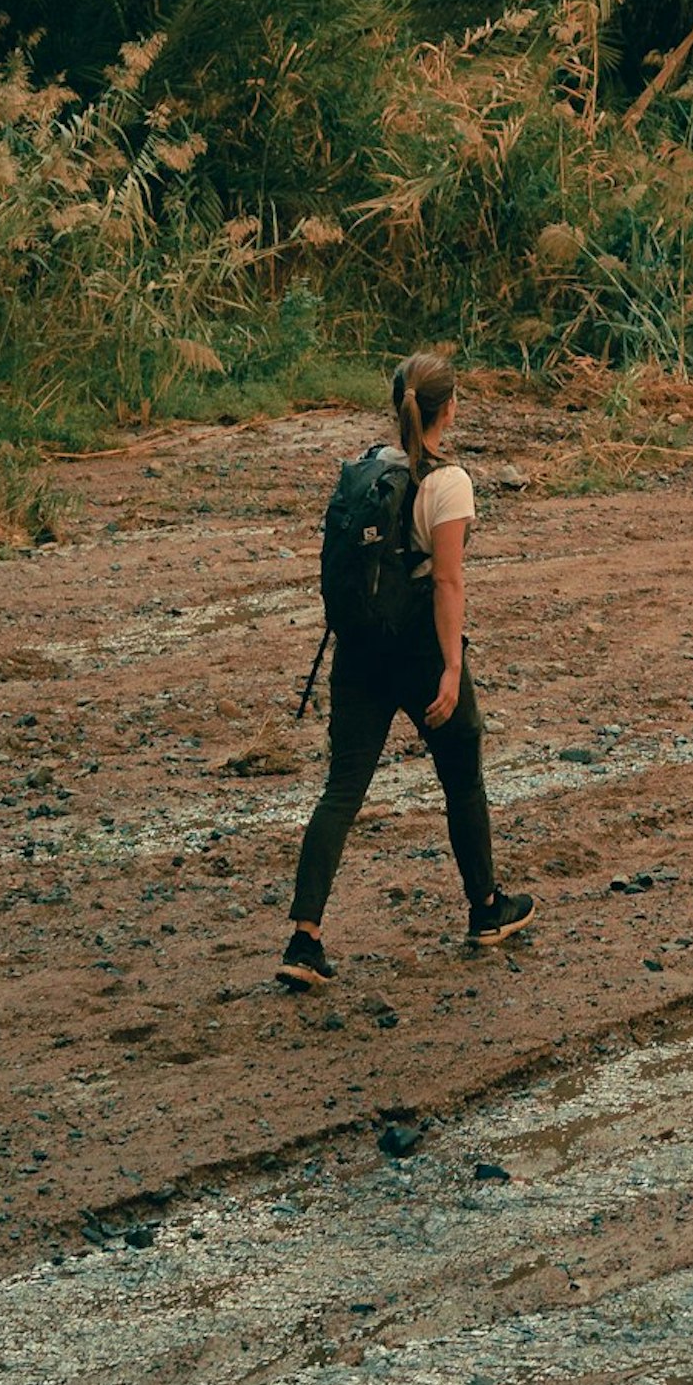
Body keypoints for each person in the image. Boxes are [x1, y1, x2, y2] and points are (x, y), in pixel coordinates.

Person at [279, 342, 531, 988]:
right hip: (418, 648)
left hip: (357, 648)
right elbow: (447, 583)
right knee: (462, 779)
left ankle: (304, 940)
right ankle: (485, 909)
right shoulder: (449, 482)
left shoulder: (365, 471)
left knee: (341, 791)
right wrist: (451, 670)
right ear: (450, 409)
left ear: (399, 406)